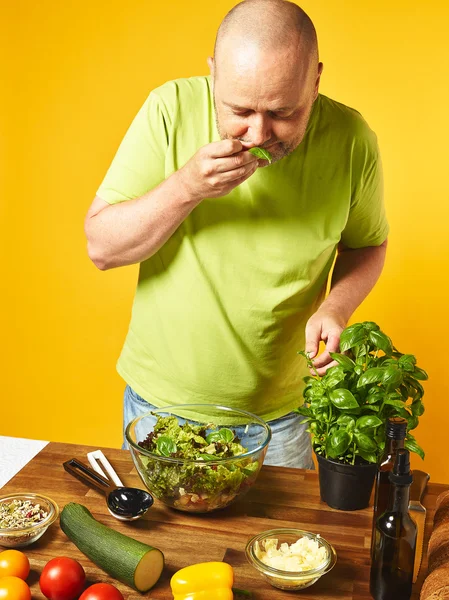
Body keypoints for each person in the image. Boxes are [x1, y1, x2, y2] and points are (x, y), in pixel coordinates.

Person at [84, 0, 388, 468]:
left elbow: (367, 244)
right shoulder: (169, 108)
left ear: (316, 80)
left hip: (284, 419)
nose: (258, 133)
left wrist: (336, 305)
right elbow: (101, 247)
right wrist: (186, 187)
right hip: (162, 409)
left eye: (283, 111)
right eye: (240, 109)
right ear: (213, 74)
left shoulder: (352, 140)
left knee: (278, 544)